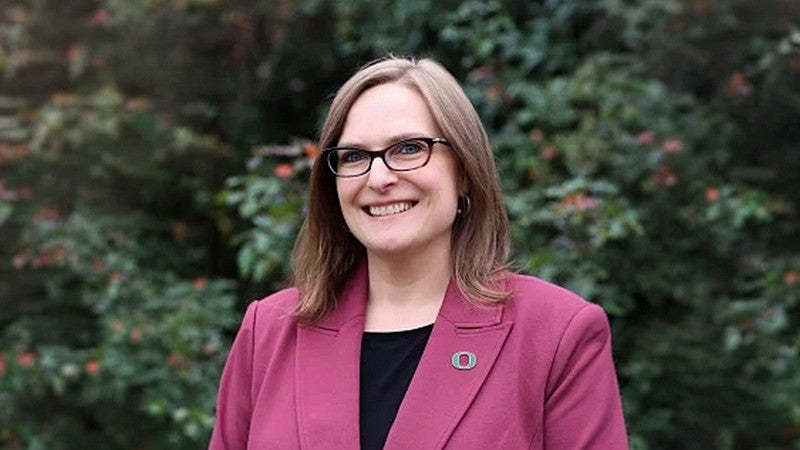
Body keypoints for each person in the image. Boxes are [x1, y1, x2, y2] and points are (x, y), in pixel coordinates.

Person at [208, 56, 628, 449]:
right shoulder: (268, 332)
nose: (378, 177)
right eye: (354, 156)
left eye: (408, 148)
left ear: (464, 171)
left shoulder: (556, 335)